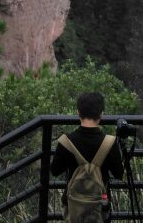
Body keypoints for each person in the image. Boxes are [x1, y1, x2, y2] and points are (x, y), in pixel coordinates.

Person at [50, 91, 125, 222]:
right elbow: (119, 173)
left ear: (78, 112)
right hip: (100, 206)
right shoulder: (109, 143)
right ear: (101, 114)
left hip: (73, 207)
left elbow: (55, 170)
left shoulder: (66, 141)